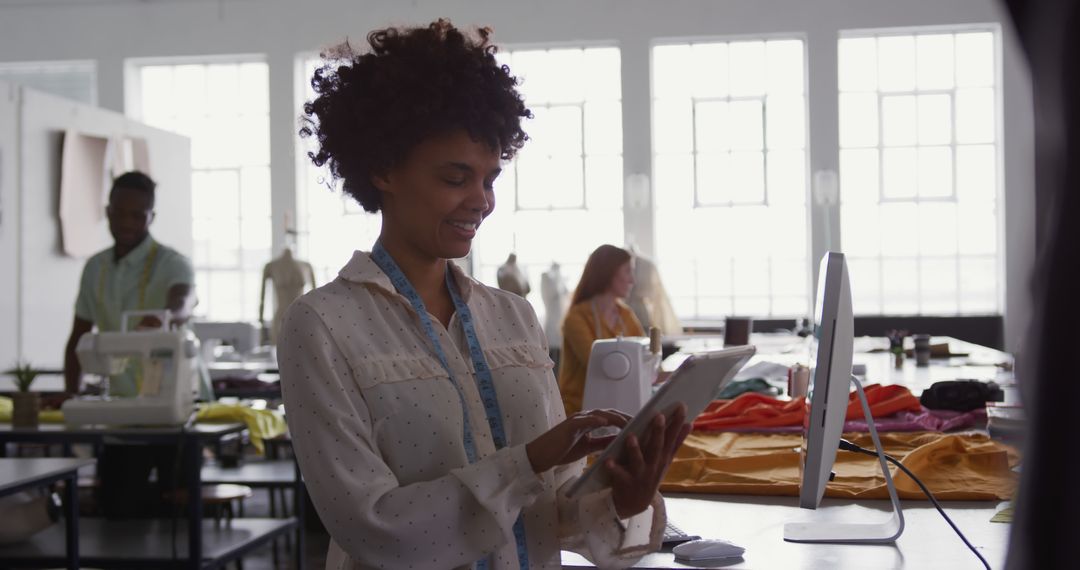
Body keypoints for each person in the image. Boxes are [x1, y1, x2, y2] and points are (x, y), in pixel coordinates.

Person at [281, 20, 688, 569]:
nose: (482, 200)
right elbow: (370, 525)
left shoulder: (512, 319)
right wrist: (528, 462)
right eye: (456, 178)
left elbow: (555, 511)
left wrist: (624, 499)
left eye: (490, 178)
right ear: (383, 170)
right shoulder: (322, 326)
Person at [60, 170, 197, 518]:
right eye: (119, 212)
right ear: (108, 212)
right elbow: (79, 336)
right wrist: (71, 393)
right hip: (122, 410)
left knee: (179, 516)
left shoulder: (172, 263)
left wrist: (165, 317)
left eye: (138, 214)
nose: (127, 222)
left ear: (152, 217)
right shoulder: (95, 269)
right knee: (119, 512)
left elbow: (184, 300)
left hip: (173, 414)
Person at [557, 245, 647, 417]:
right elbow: (599, 364)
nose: (632, 281)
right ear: (608, 272)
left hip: (618, 409)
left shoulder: (626, 314)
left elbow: (644, 357)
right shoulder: (577, 317)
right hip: (579, 414)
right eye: (627, 271)